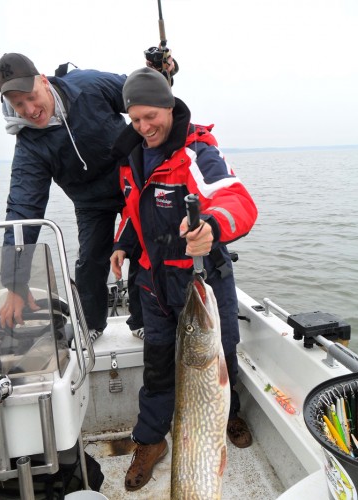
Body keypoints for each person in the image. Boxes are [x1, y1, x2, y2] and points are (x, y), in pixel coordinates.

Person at [110, 67, 258, 492]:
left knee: (221, 356)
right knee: (158, 365)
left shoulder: (197, 151)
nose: (143, 127)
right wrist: (124, 244)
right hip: (153, 284)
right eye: (135, 119)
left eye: (150, 115)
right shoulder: (131, 155)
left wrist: (212, 224)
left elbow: (237, 199)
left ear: (169, 107)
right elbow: (134, 212)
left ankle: (226, 417)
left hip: (201, 280)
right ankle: (152, 441)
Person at [0, 53, 174, 341]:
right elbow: (23, 209)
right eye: (18, 103)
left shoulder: (89, 85)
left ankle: (143, 319)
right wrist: (15, 282)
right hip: (90, 201)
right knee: (90, 261)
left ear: (43, 81)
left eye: (30, 96)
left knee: (144, 250)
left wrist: (161, 77)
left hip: (134, 185)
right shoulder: (29, 144)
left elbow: (137, 96)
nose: (29, 109)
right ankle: (91, 324)